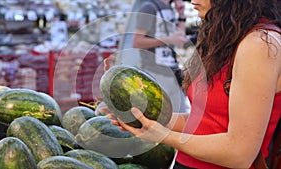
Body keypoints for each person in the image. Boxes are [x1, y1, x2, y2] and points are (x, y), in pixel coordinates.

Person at [101, 0, 281, 168]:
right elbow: (202, 121)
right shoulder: (225, 39)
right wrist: (138, 116)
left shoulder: (260, 44)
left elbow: (240, 153)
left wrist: (166, 137)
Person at [132, 0, 190, 113]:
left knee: (180, 119)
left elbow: (180, 41)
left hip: (172, 73)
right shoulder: (149, 7)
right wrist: (168, 40)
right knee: (163, 120)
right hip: (155, 73)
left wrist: (181, 16)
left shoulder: (170, 8)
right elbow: (137, 42)